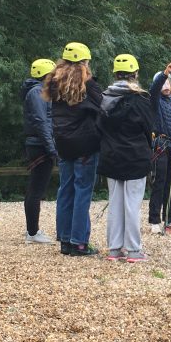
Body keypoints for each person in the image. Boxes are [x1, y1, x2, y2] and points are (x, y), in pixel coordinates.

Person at [43, 42, 102, 256]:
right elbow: (103, 107)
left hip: (63, 143)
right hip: (85, 144)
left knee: (65, 190)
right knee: (82, 191)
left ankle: (65, 240)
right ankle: (79, 242)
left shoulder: (54, 83)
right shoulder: (89, 84)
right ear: (85, 62)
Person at [97, 54, 154, 263]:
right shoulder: (140, 99)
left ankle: (114, 249)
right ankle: (133, 250)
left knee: (115, 202)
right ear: (135, 74)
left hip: (111, 156)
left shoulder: (104, 98)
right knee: (132, 204)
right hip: (135, 157)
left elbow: (99, 128)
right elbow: (149, 128)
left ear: (115, 74)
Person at [20, 58, 57, 244]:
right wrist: (51, 148)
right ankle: (32, 233)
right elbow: (42, 122)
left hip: (38, 144)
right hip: (40, 146)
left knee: (36, 189)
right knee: (36, 189)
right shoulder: (37, 92)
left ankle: (32, 231)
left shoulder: (37, 91)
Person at [148, 63, 171, 234]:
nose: (167, 86)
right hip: (161, 145)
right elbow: (153, 90)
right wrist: (165, 74)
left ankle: (170, 219)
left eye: (169, 82)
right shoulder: (155, 101)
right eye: (164, 83)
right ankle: (154, 220)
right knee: (159, 183)